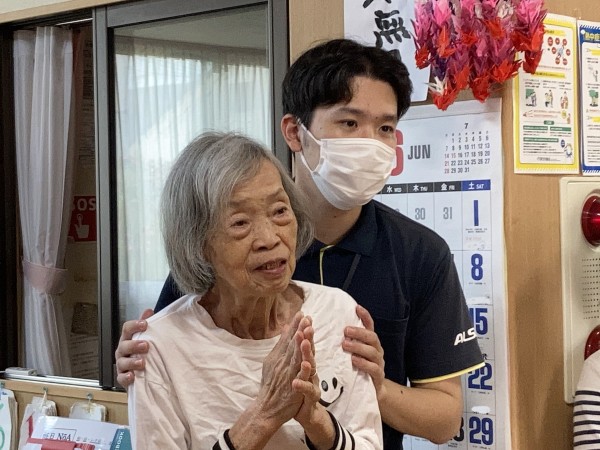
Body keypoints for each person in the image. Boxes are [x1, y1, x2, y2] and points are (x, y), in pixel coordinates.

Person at [117, 39, 484, 448]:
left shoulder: (420, 253)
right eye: (350, 124)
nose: (370, 142)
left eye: (385, 128)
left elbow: (444, 420)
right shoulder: (223, 251)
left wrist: (366, 384)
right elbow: (174, 348)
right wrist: (142, 361)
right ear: (294, 132)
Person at [128, 132, 383, 449]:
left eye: (279, 211)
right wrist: (264, 415)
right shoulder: (159, 348)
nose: (269, 238)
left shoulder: (338, 313)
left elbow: (369, 441)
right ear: (198, 242)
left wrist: (317, 420)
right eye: (240, 223)